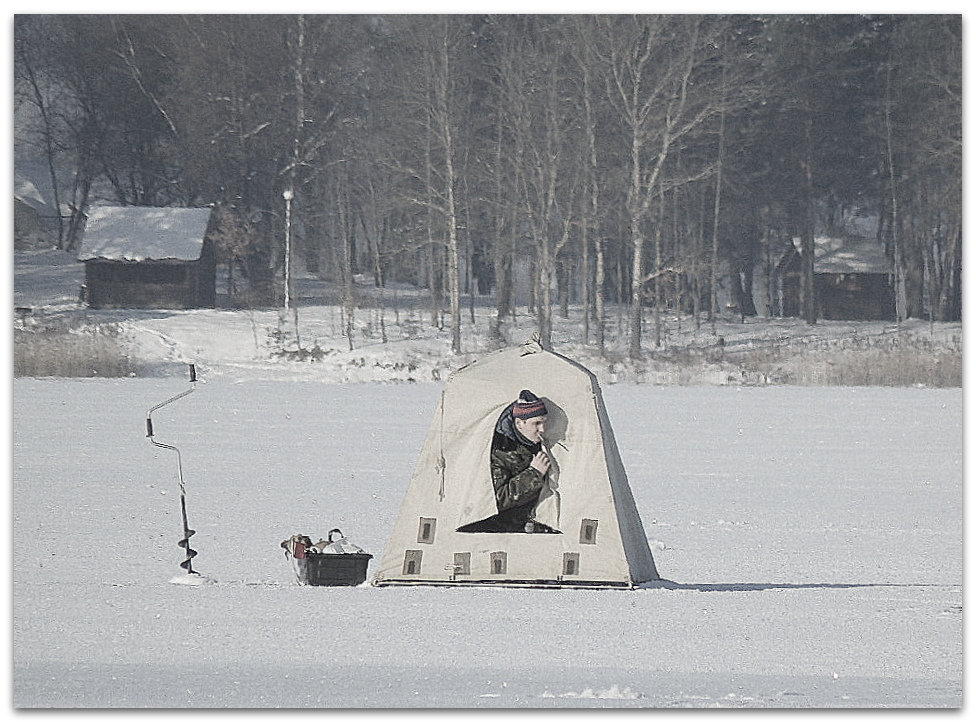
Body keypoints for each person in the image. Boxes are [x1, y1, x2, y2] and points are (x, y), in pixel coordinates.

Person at [456, 390, 560, 534]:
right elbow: (496, 499)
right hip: (503, 528)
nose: (542, 429)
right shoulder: (499, 451)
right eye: (536, 423)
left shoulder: (539, 444)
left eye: (544, 423)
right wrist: (534, 474)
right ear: (519, 423)